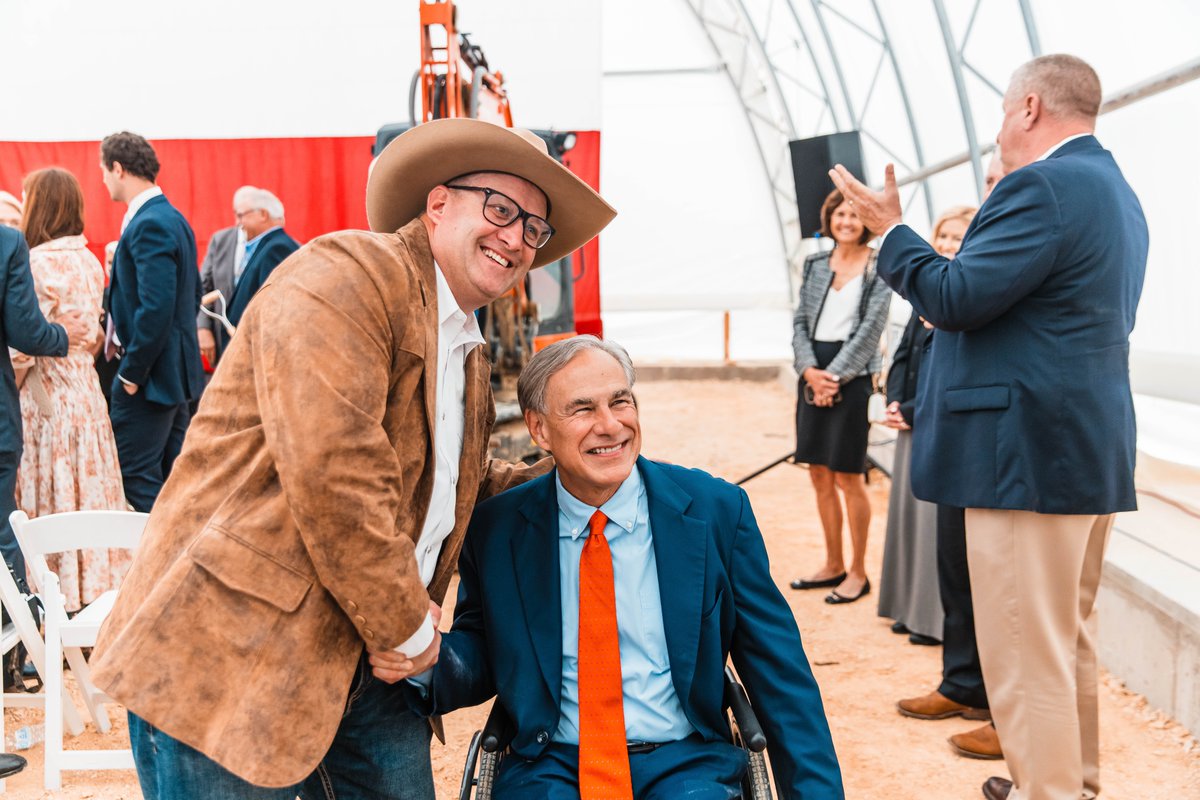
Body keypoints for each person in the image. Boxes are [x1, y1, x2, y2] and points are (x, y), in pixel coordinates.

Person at [91, 119, 616, 799]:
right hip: (233, 658)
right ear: (436, 204)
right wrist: (412, 631)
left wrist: (583, 470)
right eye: (501, 208)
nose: (516, 238)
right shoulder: (348, 276)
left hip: (373, 665)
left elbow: (453, 483)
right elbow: (337, 470)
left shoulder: (465, 343)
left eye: (534, 229)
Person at [830, 54, 1148, 800]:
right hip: (1081, 447)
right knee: (1063, 636)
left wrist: (894, 230)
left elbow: (958, 293)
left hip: (1025, 457)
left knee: (1022, 647)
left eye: (1004, 112)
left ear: (1030, 107)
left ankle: (1049, 791)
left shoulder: (1042, 185)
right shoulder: (1114, 190)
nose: (1000, 129)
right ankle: (1073, 781)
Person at [376, 335, 843, 799]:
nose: (610, 425)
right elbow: (486, 651)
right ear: (539, 430)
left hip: (687, 761)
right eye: (582, 409)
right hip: (550, 765)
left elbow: (782, 681)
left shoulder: (716, 512)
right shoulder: (497, 530)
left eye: (621, 401)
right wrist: (431, 656)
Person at [897, 154, 1008, 763]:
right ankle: (961, 682)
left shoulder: (996, 266)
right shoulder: (941, 285)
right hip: (949, 440)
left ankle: (1000, 707)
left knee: (994, 584)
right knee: (956, 573)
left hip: (988, 444)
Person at [11, 167, 130, 611]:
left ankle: (58, 601)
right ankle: (97, 596)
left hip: (49, 397)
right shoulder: (87, 258)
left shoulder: (36, 263)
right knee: (91, 489)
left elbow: (25, 346)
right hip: (86, 394)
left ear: (40, 204)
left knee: (55, 496)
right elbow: (95, 335)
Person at [877, 204, 976, 647]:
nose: (949, 245)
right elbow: (903, 354)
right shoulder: (926, 293)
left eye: (958, 238)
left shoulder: (966, 299)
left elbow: (951, 370)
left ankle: (930, 618)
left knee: (933, 527)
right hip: (910, 422)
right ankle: (906, 607)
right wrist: (894, 400)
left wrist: (914, 410)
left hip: (936, 424)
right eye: (944, 237)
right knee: (907, 519)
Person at [789, 188, 891, 604]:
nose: (846, 221)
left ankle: (858, 571)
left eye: (854, 214)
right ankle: (831, 563)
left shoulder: (880, 267)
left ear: (866, 220)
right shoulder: (814, 263)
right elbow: (799, 321)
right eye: (840, 213)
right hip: (813, 371)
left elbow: (871, 331)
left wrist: (832, 378)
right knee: (818, 472)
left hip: (850, 377)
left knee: (849, 475)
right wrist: (810, 372)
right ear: (829, 217)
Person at [99, 131, 205, 513]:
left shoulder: (149, 223)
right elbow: (189, 296)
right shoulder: (170, 217)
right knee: (171, 483)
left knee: (136, 478)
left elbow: (157, 307)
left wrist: (131, 374)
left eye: (104, 172)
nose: (104, 181)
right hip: (172, 378)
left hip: (150, 381)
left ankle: (161, 568)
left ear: (117, 168)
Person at [0, 226, 91, 588]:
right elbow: (26, 333)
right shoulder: (7, 243)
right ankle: (13, 634)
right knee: (3, 529)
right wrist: (63, 334)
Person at [224, 186, 299, 327]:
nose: (237, 223)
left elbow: (274, 309)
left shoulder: (277, 249)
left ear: (263, 214)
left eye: (241, 216)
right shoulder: (268, 246)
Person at [196, 188, 250, 369]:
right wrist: (202, 327)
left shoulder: (276, 246)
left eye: (245, 214)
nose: (239, 220)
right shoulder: (221, 240)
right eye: (238, 214)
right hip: (223, 342)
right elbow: (203, 287)